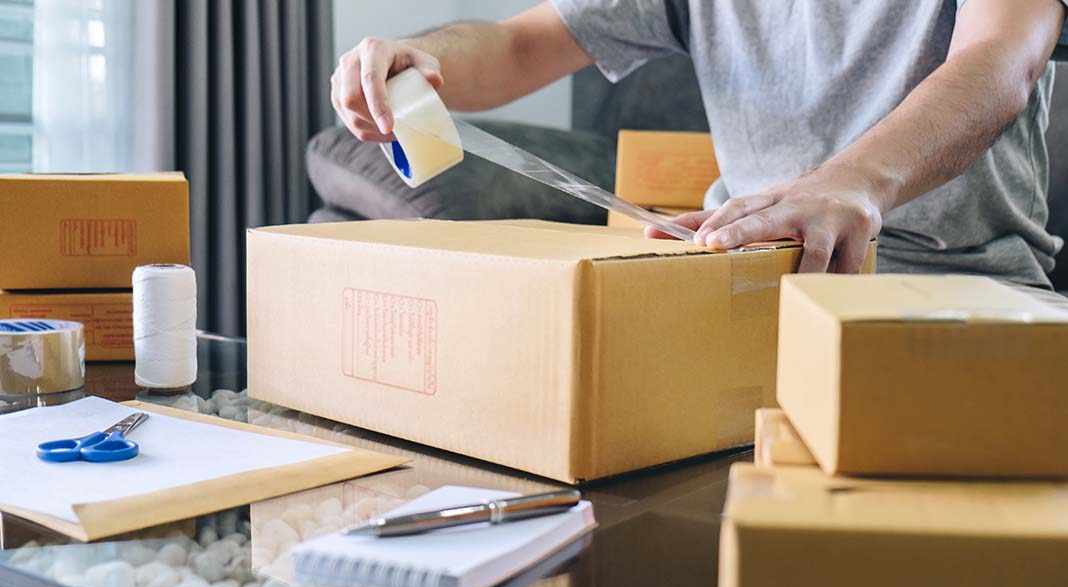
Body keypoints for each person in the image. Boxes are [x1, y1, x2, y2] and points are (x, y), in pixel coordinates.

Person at [330, 0, 1068, 290]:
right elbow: (523, 44)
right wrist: (416, 62)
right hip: (746, 285)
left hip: (958, 287)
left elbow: (1002, 58)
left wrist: (853, 180)